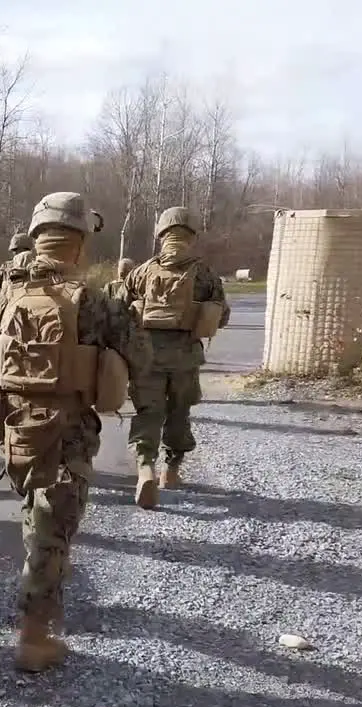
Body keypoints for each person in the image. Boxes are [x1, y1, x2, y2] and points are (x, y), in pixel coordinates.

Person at [0, 192, 150, 673]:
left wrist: (2, 397)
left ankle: (45, 592)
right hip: (68, 431)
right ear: (80, 244)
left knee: (37, 515)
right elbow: (141, 359)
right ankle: (34, 638)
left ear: (37, 237)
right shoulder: (93, 302)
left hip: (15, 429)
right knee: (52, 534)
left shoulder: (5, 295)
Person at [121, 207, 229, 509]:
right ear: (191, 235)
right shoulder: (205, 274)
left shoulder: (141, 272)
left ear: (161, 235)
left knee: (147, 413)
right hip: (185, 359)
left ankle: (145, 469)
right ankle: (171, 471)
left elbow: (120, 310)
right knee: (179, 412)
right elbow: (221, 316)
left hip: (146, 358)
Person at [0, 231, 33, 301]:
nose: (13, 253)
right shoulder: (41, 264)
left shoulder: (6, 267)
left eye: (14, 250)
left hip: (11, 304)